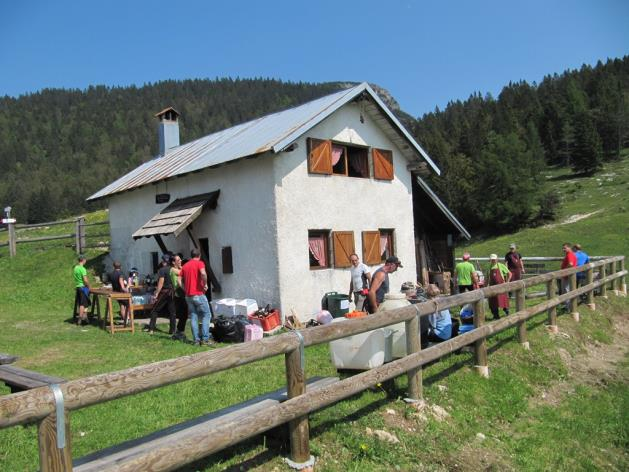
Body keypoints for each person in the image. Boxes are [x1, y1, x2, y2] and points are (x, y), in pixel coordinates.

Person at [181, 249, 213, 346]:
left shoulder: (185, 265)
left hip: (188, 296)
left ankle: (196, 340)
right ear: (199, 255)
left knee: (194, 317)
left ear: (191, 255)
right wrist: (205, 284)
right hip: (198, 294)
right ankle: (205, 339)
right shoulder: (200, 263)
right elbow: (203, 273)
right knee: (207, 315)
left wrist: (184, 289)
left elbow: (179, 279)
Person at [146, 255, 176, 335]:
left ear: (164, 262)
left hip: (164, 292)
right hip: (172, 292)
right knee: (172, 311)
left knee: (154, 310)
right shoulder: (173, 269)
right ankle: (172, 331)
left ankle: (151, 329)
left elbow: (161, 283)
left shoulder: (162, 270)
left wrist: (156, 293)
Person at [487, 254, 511, 320]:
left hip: (501, 286)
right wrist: (485, 286)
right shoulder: (489, 267)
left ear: (497, 259)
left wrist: (507, 282)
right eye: (492, 259)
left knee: (503, 300)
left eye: (494, 259)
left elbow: (509, 274)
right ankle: (496, 316)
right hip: (492, 287)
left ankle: (507, 311)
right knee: (493, 302)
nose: (493, 261)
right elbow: (487, 278)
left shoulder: (501, 266)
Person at [170, 254, 188, 340]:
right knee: (183, 314)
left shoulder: (179, 269)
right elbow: (184, 273)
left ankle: (179, 332)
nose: (180, 261)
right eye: (178, 260)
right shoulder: (173, 270)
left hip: (181, 294)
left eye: (181, 259)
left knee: (184, 314)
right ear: (173, 262)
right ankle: (179, 332)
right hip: (178, 294)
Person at [109, 261, 130, 326]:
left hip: (115, 292)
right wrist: (127, 287)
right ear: (120, 266)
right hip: (122, 292)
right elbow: (122, 285)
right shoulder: (120, 273)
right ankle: (127, 319)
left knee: (121, 305)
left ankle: (125, 320)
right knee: (128, 305)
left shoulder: (111, 274)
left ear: (114, 266)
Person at [73, 255, 91, 326]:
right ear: (83, 260)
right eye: (85, 260)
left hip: (78, 287)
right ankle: (80, 318)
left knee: (84, 302)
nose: (86, 261)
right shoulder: (82, 269)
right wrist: (89, 286)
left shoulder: (75, 268)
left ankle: (85, 318)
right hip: (83, 287)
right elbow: (85, 280)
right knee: (83, 304)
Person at [560, 242, 577, 310]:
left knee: (567, 290)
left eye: (565, 248)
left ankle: (568, 307)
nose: (563, 249)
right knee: (567, 289)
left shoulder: (570, 254)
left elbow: (571, 264)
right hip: (569, 275)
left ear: (569, 248)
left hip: (567, 275)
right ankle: (568, 306)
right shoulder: (570, 254)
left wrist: (564, 270)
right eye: (563, 248)